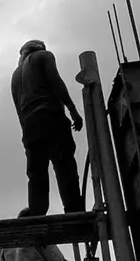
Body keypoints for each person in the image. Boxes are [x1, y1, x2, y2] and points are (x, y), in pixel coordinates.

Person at [12, 40, 86, 216]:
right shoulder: (43, 56)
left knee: (36, 173)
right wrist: (72, 109)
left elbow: (18, 110)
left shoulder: (15, 75)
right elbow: (55, 81)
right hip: (51, 116)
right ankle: (73, 210)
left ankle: (37, 212)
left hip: (30, 126)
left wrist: (26, 135)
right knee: (64, 164)